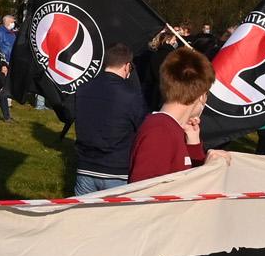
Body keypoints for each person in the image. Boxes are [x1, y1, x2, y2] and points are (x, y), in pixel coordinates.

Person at [130, 46, 226, 185]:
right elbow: (143, 191)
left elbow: (187, 179)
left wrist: (193, 144)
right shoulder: (160, 131)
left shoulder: (170, 128)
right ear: (202, 96)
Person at [71, 43, 144, 195]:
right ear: (126, 66)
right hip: (116, 169)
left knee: (82, 210)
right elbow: (143, 126)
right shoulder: (131, 95)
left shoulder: (83, 88)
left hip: (86, 166)